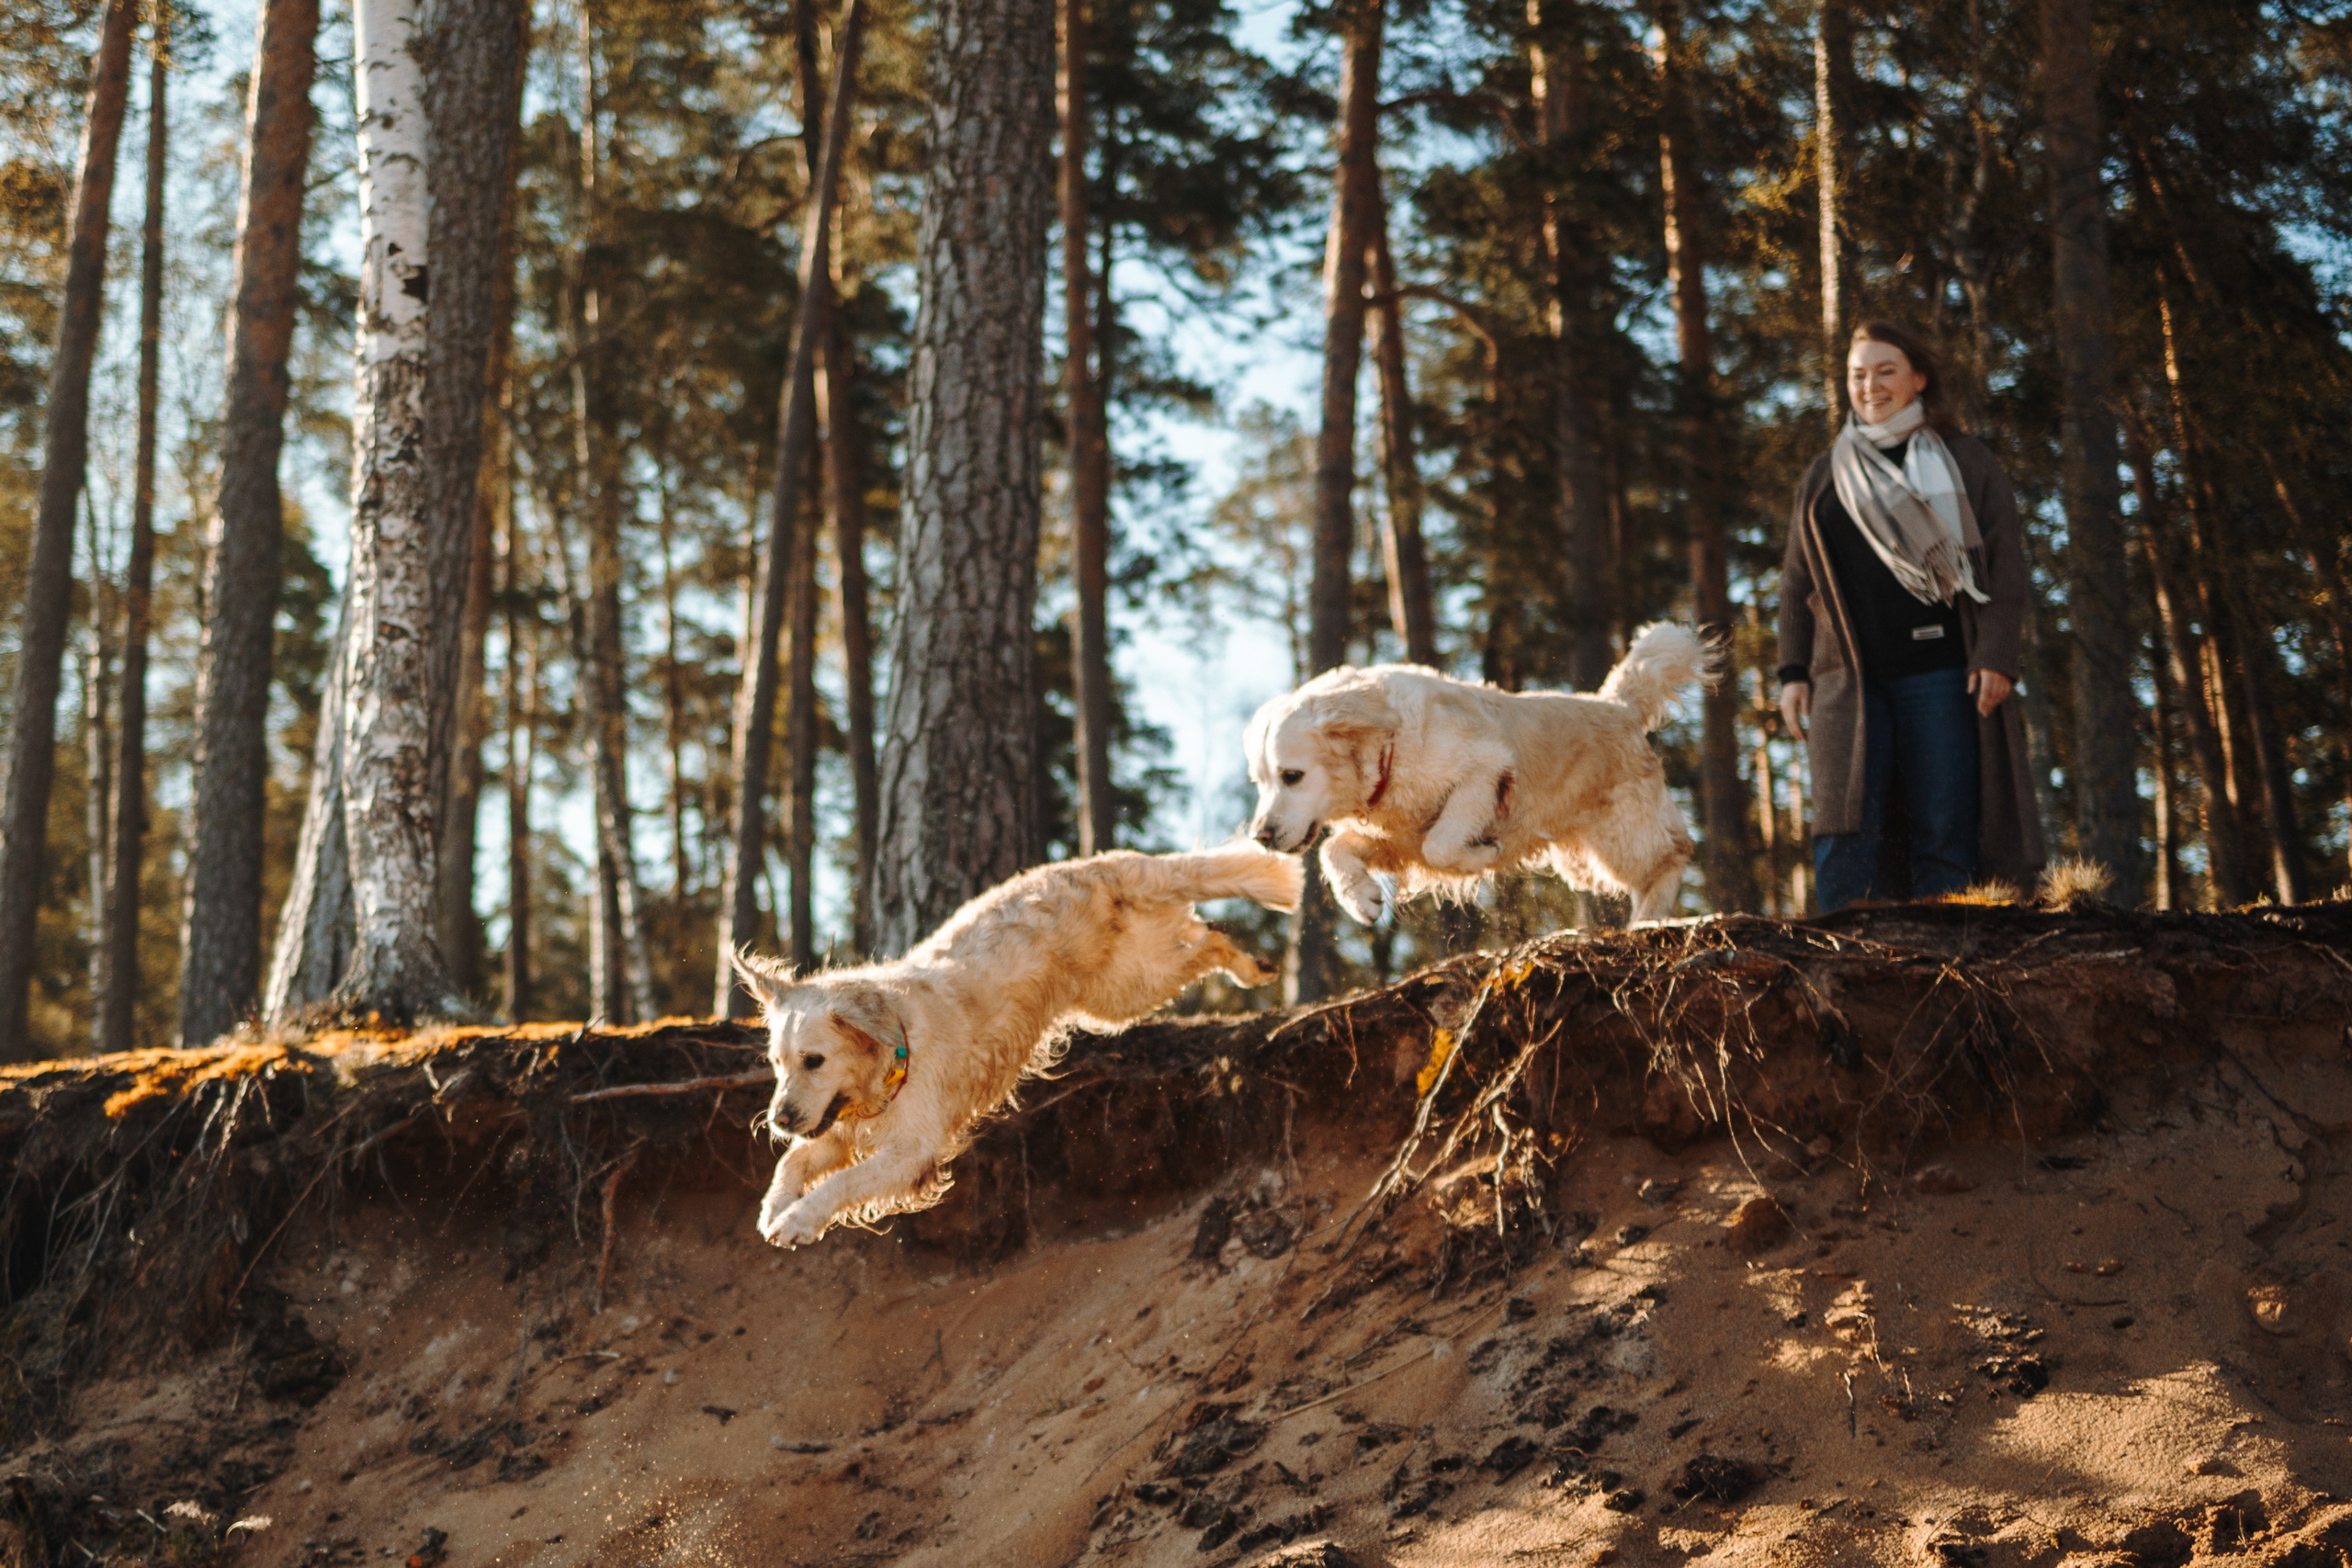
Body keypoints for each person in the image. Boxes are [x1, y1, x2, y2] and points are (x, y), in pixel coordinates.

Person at [1777, 321, 2046, 910]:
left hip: (1944, 675)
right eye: (1857, 375)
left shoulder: (1966, 462)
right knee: (1844, 829)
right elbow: (1798, 582)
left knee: (1944, 826)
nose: (1870, 386)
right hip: (1849, 682)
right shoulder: (1826, 476)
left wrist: (1997, 655)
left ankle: (1945, 968)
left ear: (1918, 378)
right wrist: (1792, 672)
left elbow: (2004, 569)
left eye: (1885, 370)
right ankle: (1841, 963)